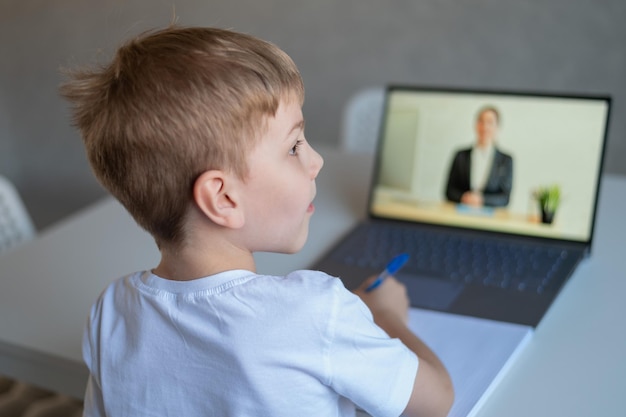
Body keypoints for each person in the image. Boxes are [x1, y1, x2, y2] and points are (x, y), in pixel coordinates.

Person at [61, 26, 453, 417]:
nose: (316, 161)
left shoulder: (109, 311)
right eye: (294, 146)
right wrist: (385, 316)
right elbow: (435, 403)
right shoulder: (315, 313)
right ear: (223, 198)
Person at [445, 106, 513, 207]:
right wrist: (464, 197)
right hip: (460, 213)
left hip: (491, 218)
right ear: (476, 125)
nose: (485, 127)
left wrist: (482, 200)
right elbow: (449, 191)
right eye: (481, 121)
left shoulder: (505, 160)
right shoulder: (461, 155)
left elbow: (505, 198)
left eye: (490, 122)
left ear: (497, 127)